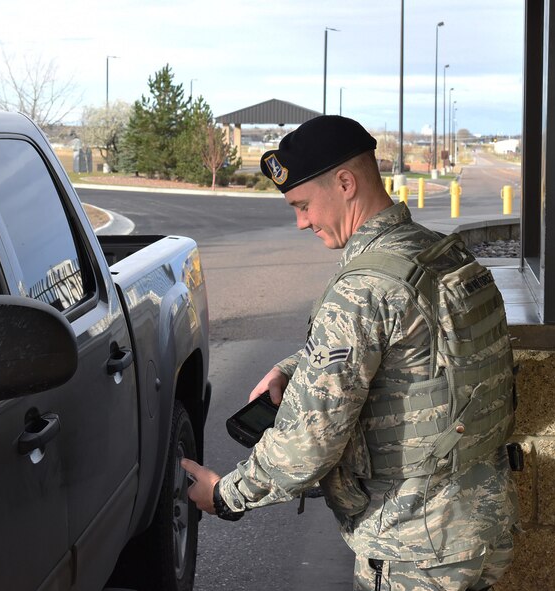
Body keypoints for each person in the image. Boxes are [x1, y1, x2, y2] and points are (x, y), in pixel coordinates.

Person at [182, 115, 520, 591]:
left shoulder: (364, 288)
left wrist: (224, 495)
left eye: (302, 205)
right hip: (481, 524)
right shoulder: (439, 254)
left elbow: (307, 444)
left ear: (344, 183)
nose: (301, 222)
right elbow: (420, 356)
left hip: (414, 547)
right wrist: (293, 368)